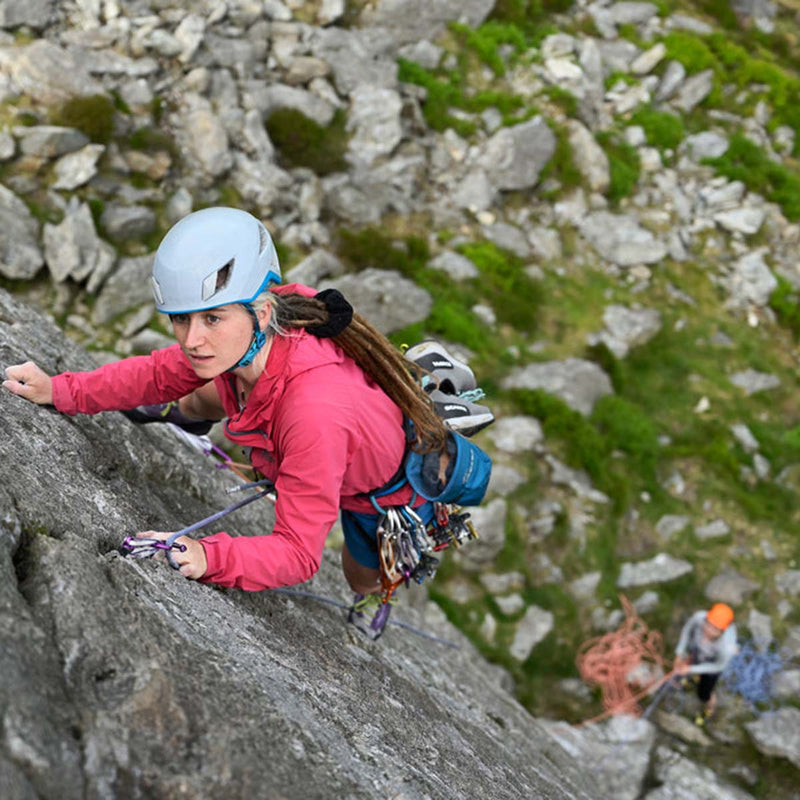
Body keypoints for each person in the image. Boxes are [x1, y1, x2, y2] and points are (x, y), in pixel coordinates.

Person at [2, 206, 491, 640]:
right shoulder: (263, 324)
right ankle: (186, 412)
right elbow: (155, 372)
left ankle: (373, 598)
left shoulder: (313, 414)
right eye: (180, 319)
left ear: (260, 311)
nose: (192, 338)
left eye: (211, 318)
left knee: (362, 574)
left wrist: (210, 557)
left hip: (381, 489)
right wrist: (60, 389)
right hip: (305, 416)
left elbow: (299, 554)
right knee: (196, 388)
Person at [674, 603, 738, 725]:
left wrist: (691, 669)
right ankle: (697, 678)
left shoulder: (726, 648)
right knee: (696, 664)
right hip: (699, 653)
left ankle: (709, 709)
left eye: (714, 629)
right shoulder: (699, 617)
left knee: (704, 694)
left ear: (723, 631)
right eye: (708, 624)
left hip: (713, 666)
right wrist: (679, 653)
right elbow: (687, 630)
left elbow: (718, 666)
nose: (708, 631)